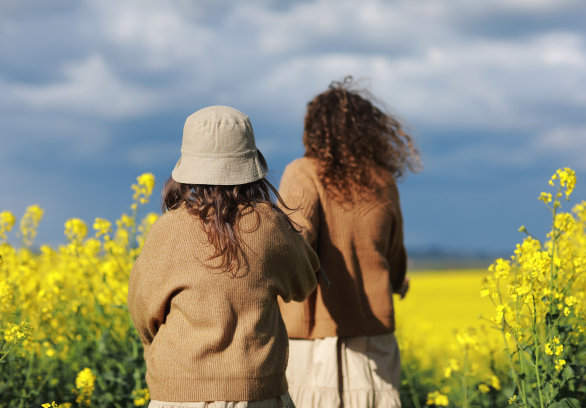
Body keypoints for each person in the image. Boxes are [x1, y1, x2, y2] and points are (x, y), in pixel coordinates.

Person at [127, 105, 319, 408]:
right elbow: (305, 281)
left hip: (177, 396)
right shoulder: (269, 223)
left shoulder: (168, 229)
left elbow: (142, 312)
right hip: (257, 394)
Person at [278, 77, 421, 408]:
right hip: (373, 341)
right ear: (368, 132)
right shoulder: (383, 181)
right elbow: (394, 253)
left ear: (313, 131)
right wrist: (398, 283)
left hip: (313, 342)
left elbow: (293, 240)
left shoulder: (303, 172)